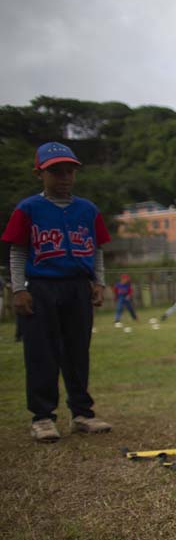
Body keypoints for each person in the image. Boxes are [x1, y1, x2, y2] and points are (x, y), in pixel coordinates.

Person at [1, 142, 114, 442]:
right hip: (41, 287)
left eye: (69, 172)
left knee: (77, 351)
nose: (64, 178)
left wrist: (98, 282)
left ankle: (82, 414)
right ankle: (42, 417)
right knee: (41, 351)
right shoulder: (28, 209)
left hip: (77, 286)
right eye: (56, 172)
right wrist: (19, 288)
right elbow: (18, 251)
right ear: (40, 173)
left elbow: (98, 251)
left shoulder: (87, 210)